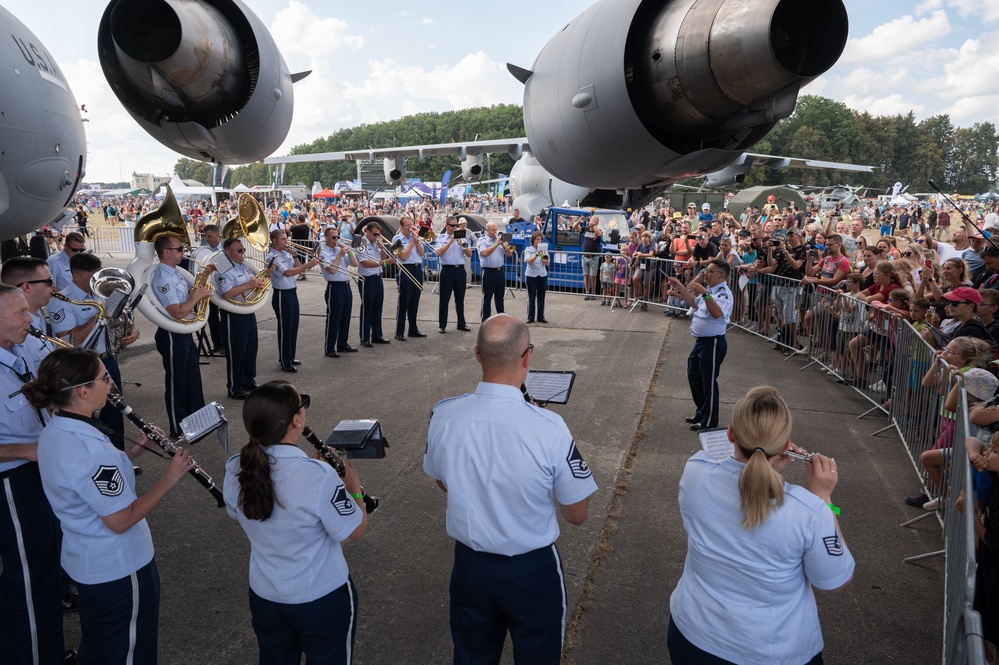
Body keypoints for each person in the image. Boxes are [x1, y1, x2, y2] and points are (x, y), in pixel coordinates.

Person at [424, 314, 597, 665]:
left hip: (470, 566)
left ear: (476, 354)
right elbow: (577, 514)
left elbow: (443, 481)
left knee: (472, 656)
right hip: (531, 572)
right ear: (527, 356)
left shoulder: (444, 414)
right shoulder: (549, 427)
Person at [25, 347, 194, 665]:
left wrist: (128, 455)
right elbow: (120, 519)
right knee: (129, 653)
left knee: (99, 645)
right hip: (119, 568)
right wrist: (170, 477)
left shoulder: (54, 429)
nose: (111, 384)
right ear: (83, 390)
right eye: (104, 378)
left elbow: (84, 483)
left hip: (87, 565)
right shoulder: (92, 450)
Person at [668, 386, 854, 665]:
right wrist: (824, 498)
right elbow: (834, 581)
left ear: (731, 434)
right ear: (785, 445)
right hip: (770, 652)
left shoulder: (695, 471)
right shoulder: (809, 509)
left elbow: (720, 459)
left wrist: (765, 454)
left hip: (693, 636)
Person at [223, 381, 367, 665]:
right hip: (320, 598)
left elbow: (240, 509)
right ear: (297, 421)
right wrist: (354, 489)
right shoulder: (318, 475)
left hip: (266, 597)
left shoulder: (236, 466)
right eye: (303, 403)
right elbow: (356, 530)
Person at [0, 283, 73, 665]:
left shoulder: (15, 352)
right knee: (29, 580)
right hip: (12, 483)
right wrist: (27, 450)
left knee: (43, 572)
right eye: (19, 313)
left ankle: (45, 652)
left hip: (36, 473)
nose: (30, 318)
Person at [49, 252, 139, 449]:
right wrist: (100, 314)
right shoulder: (63, 301)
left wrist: (131, 330)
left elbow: (115, 323)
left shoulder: (100, 292)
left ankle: (119, 458)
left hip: (108, 360)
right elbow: (70, 340)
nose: (98, 281)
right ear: (76, 276)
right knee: (89, 417)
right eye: (93, 276)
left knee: (115, 412)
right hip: (81, 368)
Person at [151, 234, 212, 437]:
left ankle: (197, 421)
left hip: (184, 333)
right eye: (179, 249)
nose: (183, 252)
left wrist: (203, 278)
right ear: (166, 252)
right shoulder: (163, 278)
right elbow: (177, 311)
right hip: (172, 334)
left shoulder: (176, 273)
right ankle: (178, 428)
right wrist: (197, 296)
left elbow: (188, 296)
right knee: (177, 382)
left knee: (192, 379)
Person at [669, 259, 734, 431]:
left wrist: (705, 293)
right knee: (694, 376)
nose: (705, 274)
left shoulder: (722, 293)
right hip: (700, 342)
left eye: (710, 271)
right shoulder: (710, 291)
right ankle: (701, 412)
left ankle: (709, 420)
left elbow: (717, 313)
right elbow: (694, 303)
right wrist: (680, 287)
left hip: (712, 342)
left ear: (721, 275)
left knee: (708, 381)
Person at [214, 238, 266, 398]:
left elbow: (253, 285)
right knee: (236, 352)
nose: (243, 253)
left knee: (251, 349)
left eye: (243, 249)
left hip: (248, 311)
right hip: (233, 314)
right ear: (228, 253)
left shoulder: (244, 267)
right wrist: (249, 284)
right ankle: (234, 387)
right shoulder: (222, 271)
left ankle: (249, 381)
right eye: (239, 250)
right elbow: (227, 294)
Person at [266, 229, 318, 372]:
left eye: (286, 238)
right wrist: (310, 264)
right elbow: (288, 273)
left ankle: (290, 355)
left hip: (292, 292)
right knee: (285, 328)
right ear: (274, 241)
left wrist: (295, 256)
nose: (286, 241)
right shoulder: (272, 257)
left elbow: (298, 268)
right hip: (282, 294)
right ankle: (284, 360)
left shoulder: (286, 254)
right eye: (283, 239)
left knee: (293, 326)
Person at [1, 256, 60, 367]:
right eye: (49, 281)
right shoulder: (15, 334)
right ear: (27, 287)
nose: (54, 285)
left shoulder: (39, 317)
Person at [319, 227, 359, 358]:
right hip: (334, 287)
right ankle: (329, 347)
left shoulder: (339, 249)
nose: (337, 240)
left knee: (345, 316)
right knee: (334, 318)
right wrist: (340, 255)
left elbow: (354, 264)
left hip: (346, 285)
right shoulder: (323, 252)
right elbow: (331, 270)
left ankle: (342, 343)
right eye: (334, 237)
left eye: (338, 237)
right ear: (326, 238)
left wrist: (349, 252)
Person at [356, 223, 395, 347]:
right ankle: (364, 337)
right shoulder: (362, 243)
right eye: (374, 234)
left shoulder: (375, 243)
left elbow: (382, 261)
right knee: (367, 309)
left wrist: (382, 248)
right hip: (367, 278)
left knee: (378, 308)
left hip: (378, 277)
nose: (376, 236)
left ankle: (377, 335)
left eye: (378, 234)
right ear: (367, 232)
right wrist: (384, 262)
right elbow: (365, 263)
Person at [391, 216, 426, 340]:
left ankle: (413, 329)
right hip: (406, 269)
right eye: (407, 225)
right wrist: (412, 243)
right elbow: (403, 257)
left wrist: (417, 241)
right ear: (401, 227)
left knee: (414, 301)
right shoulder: (397, 239)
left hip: (417, 269)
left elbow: (422, 253)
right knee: (404, 302)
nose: (410, 227)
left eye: (411, 224)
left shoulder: (414, 237)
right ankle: (399, 331)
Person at [435, 216, 473, 333]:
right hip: (447, 270)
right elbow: (439, 252)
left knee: (460, 299)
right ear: (446, 226)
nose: (455, 227)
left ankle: (461, 324)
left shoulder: (461, 237)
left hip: (460, 270)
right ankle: (442, 325)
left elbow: (469, 254)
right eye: (452, 225)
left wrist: (462, 243)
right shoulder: (441, 238)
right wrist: (451, 241)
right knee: (444, 299)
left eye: (456, 225)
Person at [478, 222, 513, 321]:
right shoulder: (482, 240)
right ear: (487, 230)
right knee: (487, 297)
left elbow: (509, 254)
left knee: (500, 297)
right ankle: (485, 319)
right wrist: (496, 244)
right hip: (488, 272)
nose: (495, 232)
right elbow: (484, 253)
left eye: (496, 229)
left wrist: (504, 246)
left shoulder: (500, 240)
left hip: (500, 271)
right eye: (493, 230)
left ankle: (501, 318)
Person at [201, 224, 225, 355]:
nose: (207, 239)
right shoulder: (204, 251)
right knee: (212, 318)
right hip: (210, 287)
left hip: (224, 286)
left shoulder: (226, 249)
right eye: (206, 236)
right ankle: (218, 344)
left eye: (209, 236)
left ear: (217, 235)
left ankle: (227, 344)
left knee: (225, 317)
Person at [523, 231, 549, 322]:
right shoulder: (528, 249)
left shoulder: (544, 250)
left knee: (541, 297)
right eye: (537, 239)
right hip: (531, 275)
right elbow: (529, 261)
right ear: (533, 240)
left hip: (542, 274)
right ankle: (530, 317)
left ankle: (540, 317)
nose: (538, 241)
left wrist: (543, 256)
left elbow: (548, 263)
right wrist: (536, 254)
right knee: (531, 296)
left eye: (540, 239)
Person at [577, 216, 603, 300]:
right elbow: (575, 227)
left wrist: (594, 225)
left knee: (593, 276)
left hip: (594, 257)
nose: (590, 221)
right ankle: (587, 292)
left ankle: (593, 293)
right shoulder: (585, 229)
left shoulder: (599, 230)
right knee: (586, 275)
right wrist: (578, 221)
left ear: (597, 223)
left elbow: (599, 234)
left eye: (593, 220)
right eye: (590, 220)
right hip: (585, 257)